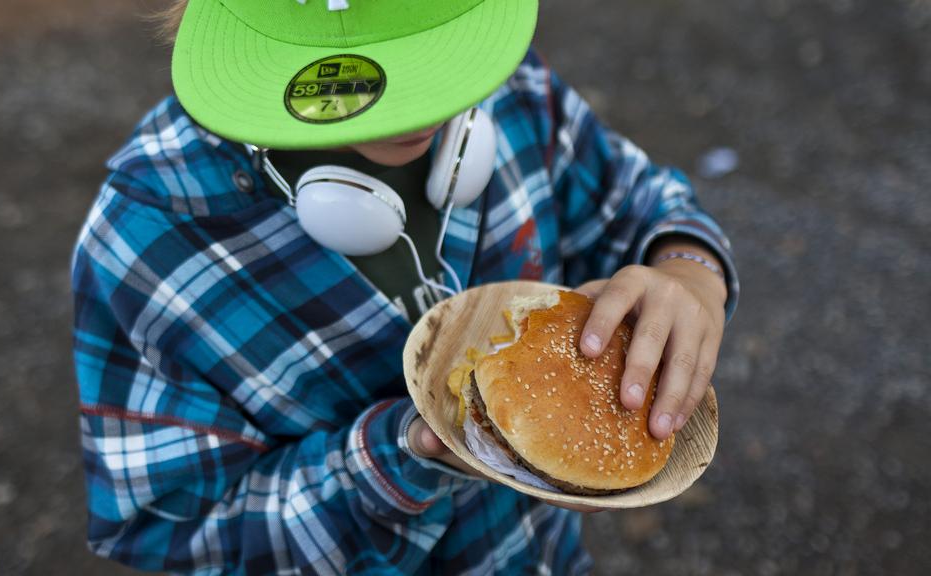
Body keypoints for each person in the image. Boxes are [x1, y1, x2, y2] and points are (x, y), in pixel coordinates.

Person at [71, 0, 740, 573]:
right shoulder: (145, 237)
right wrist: (406, 455)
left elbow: (637, 199)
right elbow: (169, 529)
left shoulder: (508, 84)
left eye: (439, 57)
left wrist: (688, 268)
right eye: (391, 82)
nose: (423, 114)